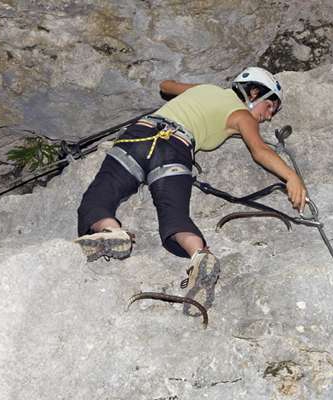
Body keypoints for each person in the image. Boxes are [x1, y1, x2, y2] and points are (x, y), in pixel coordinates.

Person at [75, 67, 307, 316]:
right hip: (175, 150)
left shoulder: (206, 90)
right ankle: (198, 254)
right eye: (270, 106)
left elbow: (166, 85)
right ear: (253, 93)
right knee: (174, 213)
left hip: (139, 136)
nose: (269, 116)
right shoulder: (243, 116)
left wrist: (193, 95)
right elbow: (260, 150)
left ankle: (111, 230)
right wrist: (291, 176)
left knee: (100, 195)